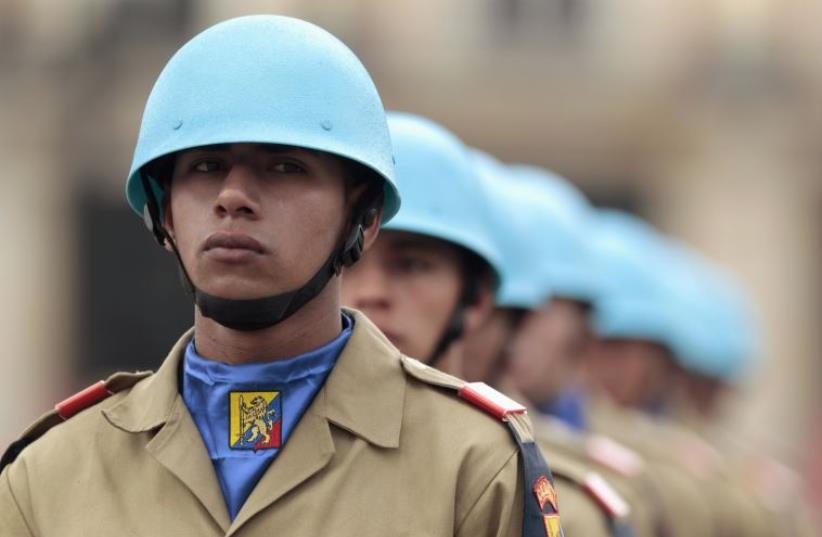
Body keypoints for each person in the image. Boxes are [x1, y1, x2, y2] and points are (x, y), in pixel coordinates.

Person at [0, 16, 559, 537]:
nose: (233, 197)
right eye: (205, 166)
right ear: (163, 211)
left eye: (286, 167)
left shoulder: (474, 464)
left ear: (362, 219)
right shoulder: (48, 475)